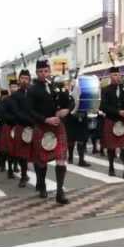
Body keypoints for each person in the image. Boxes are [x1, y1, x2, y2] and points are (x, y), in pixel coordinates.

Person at [27, 56, 74, 204]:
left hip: (58, 126)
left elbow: (70, 101)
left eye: (46, 71)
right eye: (40, 71)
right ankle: (42, 184)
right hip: (42, 126)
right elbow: (30, 111)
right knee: (42, 161)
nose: (43, 74)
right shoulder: (33, 90)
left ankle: (60, 192)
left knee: (61, 158)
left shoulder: (57, 85)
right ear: (36, 72)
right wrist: (45, 119)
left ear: (49, 71)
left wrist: (67, 110)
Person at [100, 66, 124, 179]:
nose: (117, 77)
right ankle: (111, 167)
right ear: (110, 76)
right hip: (111, 120)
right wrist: (118, 112)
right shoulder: (105, 90)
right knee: (111, 147)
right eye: (115, 75)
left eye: (118, 75)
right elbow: (103, 106)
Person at [9, 68, 34, 188]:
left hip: (35, 126)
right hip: (22, 126)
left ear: (29, 80)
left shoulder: (33, 93)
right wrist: (30, 120)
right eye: (22, 78)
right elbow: (16, 112)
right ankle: (23, 176)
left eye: (27, 79)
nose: (24, 81)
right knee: (22, 155)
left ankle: (40, 180)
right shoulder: (15, 95)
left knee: (36, 153)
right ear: (19, 80)